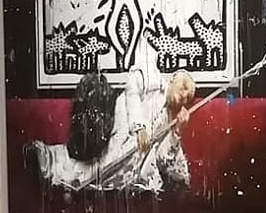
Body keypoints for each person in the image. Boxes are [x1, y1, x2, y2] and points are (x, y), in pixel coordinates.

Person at [31, 67, 195, 193]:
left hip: (133, 159)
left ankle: (58, 169)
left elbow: (161, 159)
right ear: (172, 78)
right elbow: (132, 89)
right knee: (99, 162)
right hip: (120, 126)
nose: (184, 95)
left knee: (112, 167)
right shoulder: (154, 83)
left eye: (188, 97)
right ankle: (48, 160)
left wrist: (177, 132)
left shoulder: (171, 120)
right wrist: (139, 128)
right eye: (184, 87)